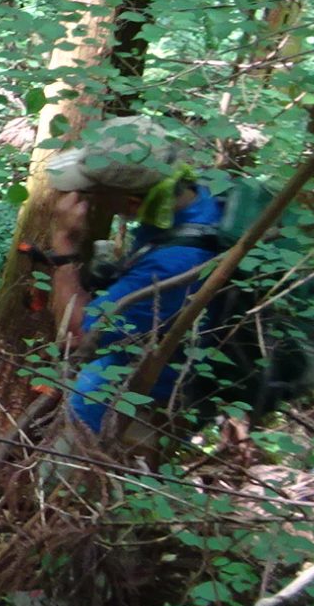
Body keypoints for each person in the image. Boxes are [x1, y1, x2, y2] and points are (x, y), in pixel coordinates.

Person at [40, 118, 225, 437]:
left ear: (131, 203)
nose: (84, 198)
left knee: (70, 450)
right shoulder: (197, 198)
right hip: (147, 354)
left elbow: (79, 334)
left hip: (140, 397)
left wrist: (64, 245)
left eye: (91, 192)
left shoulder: (174, 263)